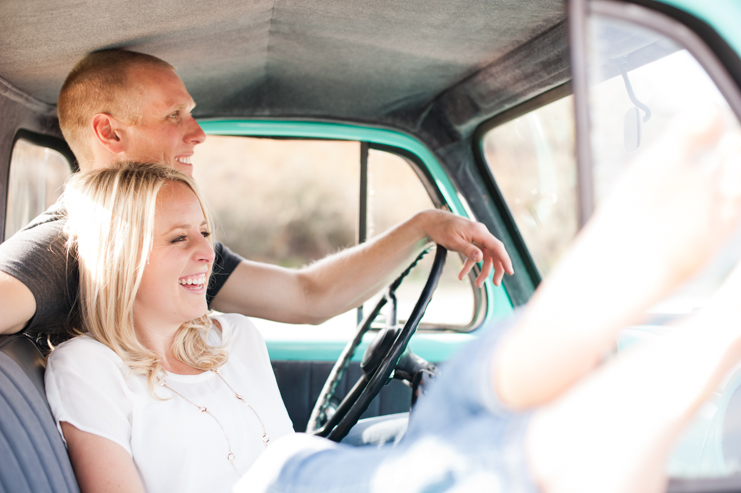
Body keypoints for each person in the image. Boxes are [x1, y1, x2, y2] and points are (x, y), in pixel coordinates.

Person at [51, 105, 741, 493]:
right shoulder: (86, 366)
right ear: (121, 255)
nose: (207, 252)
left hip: (305, 468)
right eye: (179, 240)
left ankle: (648, 313)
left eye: (206, 232)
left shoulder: (235, 335)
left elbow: (308, 312)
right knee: (427, 459)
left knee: (447, 414)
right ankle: (703, 331)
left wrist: (420, 228)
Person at [0, 49, 514, 344]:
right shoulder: (61, 246)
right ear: (109, 133)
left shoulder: (172, 244)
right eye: (174, 115)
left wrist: (425, 225)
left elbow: (308, 297)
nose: (198, 133)